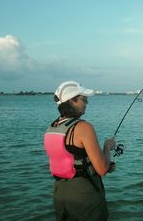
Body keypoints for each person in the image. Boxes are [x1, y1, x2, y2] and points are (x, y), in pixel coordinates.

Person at [44, 81, 116, 221]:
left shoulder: (51, 128)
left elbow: (72, 159)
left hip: (60, 194)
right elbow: (102, 170)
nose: (87, 102)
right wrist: (107, 147)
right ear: (72, 101)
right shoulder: (84, 127)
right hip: (84, 195)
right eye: (84, 99)